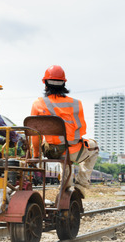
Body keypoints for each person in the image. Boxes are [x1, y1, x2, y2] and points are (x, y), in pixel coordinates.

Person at [30, 65, 99, 196]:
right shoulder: (76, 104)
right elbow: (80, 131)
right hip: (72, 150)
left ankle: (66, 187)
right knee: (94, 147)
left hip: (51, 151)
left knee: (62, 155)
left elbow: (34, 134)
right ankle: (81, 185)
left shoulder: (37, 104)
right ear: (64, 84)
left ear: (45, 84)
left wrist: (36, 154)